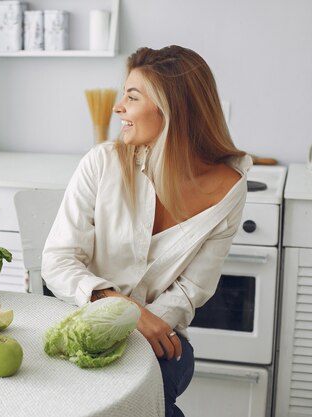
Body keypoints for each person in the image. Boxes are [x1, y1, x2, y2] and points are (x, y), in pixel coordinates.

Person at [41, 45, 251, 417]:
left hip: (163, 338)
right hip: (84, 326)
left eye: (132, 97)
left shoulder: (229, 190)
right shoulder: (102, 163)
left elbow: (191, 290)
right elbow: (58, 261)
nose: (118, 107)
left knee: (146, 391)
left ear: (171, 109)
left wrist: (141, 327)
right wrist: (126, 311)